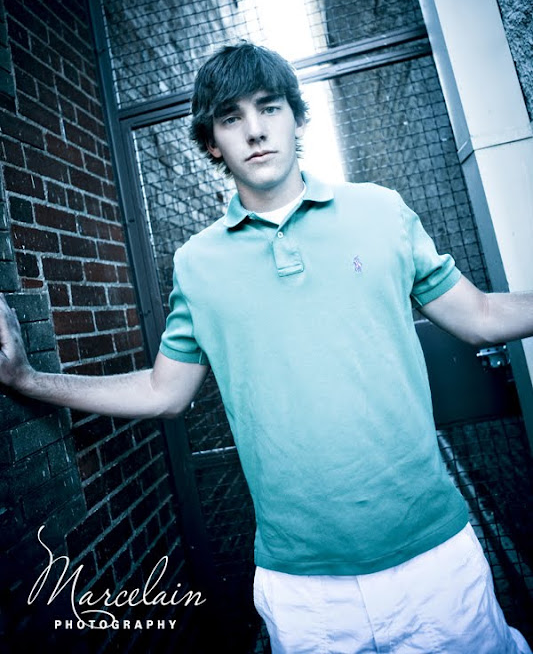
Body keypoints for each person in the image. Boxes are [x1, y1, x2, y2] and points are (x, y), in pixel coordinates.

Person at [1, 42, 532, 654]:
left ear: (297, 118)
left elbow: (480, 316)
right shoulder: (198, 264)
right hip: (304, 590)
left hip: (433, 560)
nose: (254, 130)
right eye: (231, 117)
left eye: (269, 107)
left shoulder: (380, 211)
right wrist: (26, 379)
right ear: (211, 143)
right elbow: (162, 391)